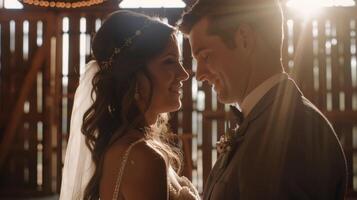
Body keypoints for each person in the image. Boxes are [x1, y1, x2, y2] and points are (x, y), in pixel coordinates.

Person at [178, 0, 347, 199]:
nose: (200, 75)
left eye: (205, 57)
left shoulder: (290, 133)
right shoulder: (265, 120)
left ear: (244, 39)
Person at [60, 10, 200, 200]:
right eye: (169, 62)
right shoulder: (144, 158)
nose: (184, 74)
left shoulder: (128, 146)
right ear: (134, 77)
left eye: (180, 62)